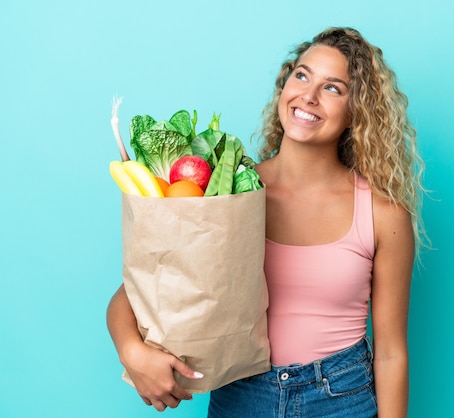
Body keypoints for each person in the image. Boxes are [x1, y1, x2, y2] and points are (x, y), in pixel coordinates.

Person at [107, 26, 427, 417]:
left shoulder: (383, 213)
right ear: (286, 82)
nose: (308, 95)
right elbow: (133, 295)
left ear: (355, 113)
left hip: (340, 398)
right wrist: (132, 352)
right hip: (242, 395)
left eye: (333, 88)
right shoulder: (229, 196)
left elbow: (392, 354)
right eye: (303, 75)